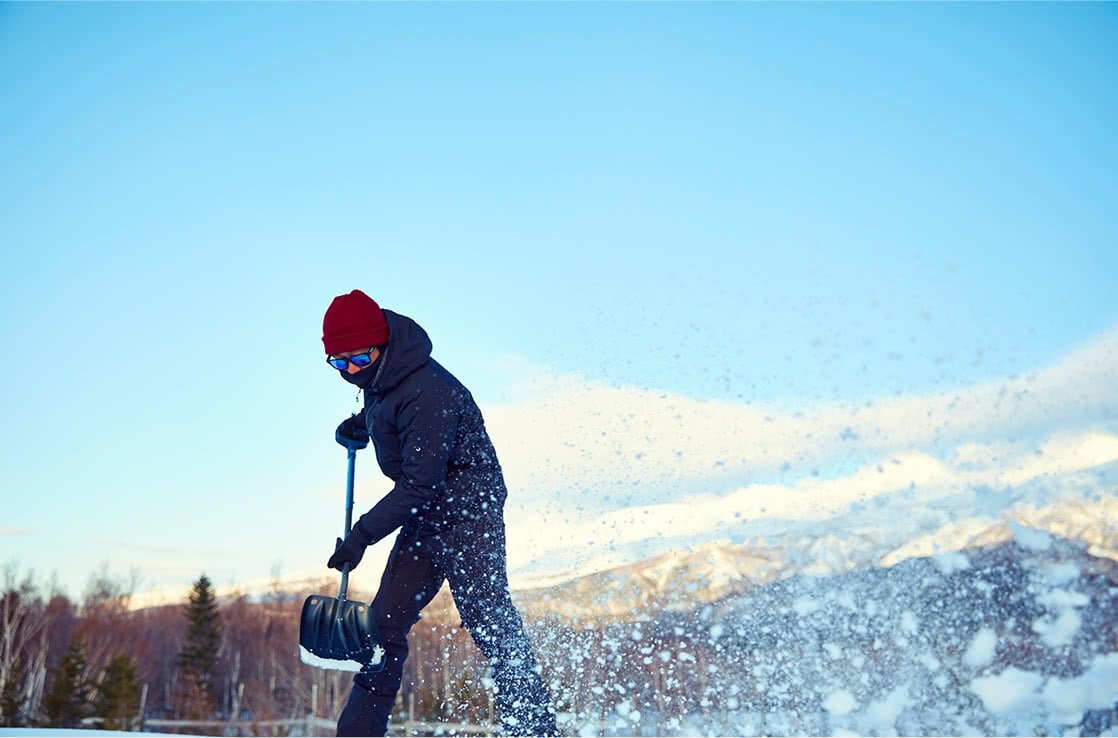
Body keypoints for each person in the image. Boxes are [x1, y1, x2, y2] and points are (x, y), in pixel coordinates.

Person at [320, 289, 558, 737]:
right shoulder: (379, 378)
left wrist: (361, 535)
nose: (349, 372)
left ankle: (534, 729)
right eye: (338, 363)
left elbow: (419, 482)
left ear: (380, 345)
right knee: (381, 628)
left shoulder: (429, 390)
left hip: (469, 513)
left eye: (355, 359)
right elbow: (389, 414)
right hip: (426, 513)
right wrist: (362, 426)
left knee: (489, 623)